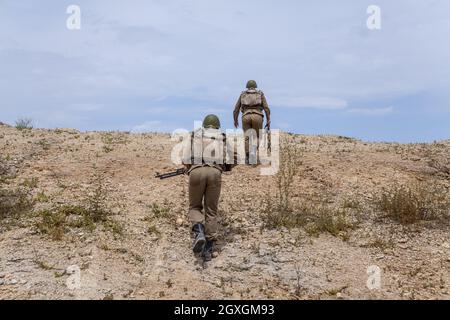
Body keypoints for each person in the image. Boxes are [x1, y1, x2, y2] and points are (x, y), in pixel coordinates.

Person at [183, 114, 235, 262]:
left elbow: (185, 159)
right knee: (211, 210)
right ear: (217, 125)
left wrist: (189, 168)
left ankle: (199, 231)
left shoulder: (194, 135)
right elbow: (233, 158)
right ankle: (208, 248)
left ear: (204, 125)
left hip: (196, 171)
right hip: (215, 172)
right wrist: (225, 167)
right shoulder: (223, 137)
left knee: (194, 206)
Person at [233, 80, 271, 163]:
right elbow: (266, 108)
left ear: (247, 86)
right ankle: (253, 150)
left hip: (246, 116)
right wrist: (268, 120)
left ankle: (247, 156)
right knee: (257, 136)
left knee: (247, 137)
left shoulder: (243, 94)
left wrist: (235, 120)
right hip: (258, 116)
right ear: (255, 86)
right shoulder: (260, 94)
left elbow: (236, 109)